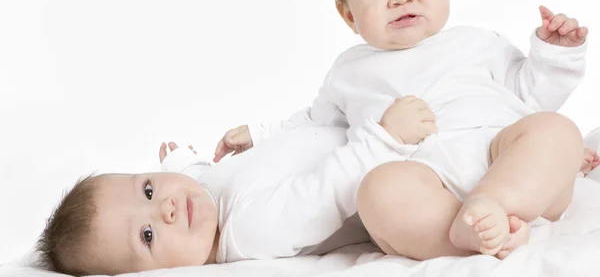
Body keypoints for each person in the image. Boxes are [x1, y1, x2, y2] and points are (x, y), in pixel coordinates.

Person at [213, 0, 591, 260]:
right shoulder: (349, 70)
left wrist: (555, 55)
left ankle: (494, 205)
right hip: (427, 185)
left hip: (504, 162)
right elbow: (314, 122)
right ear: (348, 15)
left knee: (554, 131)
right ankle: (478, 234)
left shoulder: (478, 42)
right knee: (376, 192)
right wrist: (261, 134)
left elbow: (532, 95)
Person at [35, 98, 431, 276]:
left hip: (368, 120)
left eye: (148, 191)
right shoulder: (250, 231)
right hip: (405, 159)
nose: (166, 208)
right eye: (148, 234)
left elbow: (200, 177)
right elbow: (324, 193)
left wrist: (179, 161)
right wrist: (385, 139)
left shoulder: (202, 196)